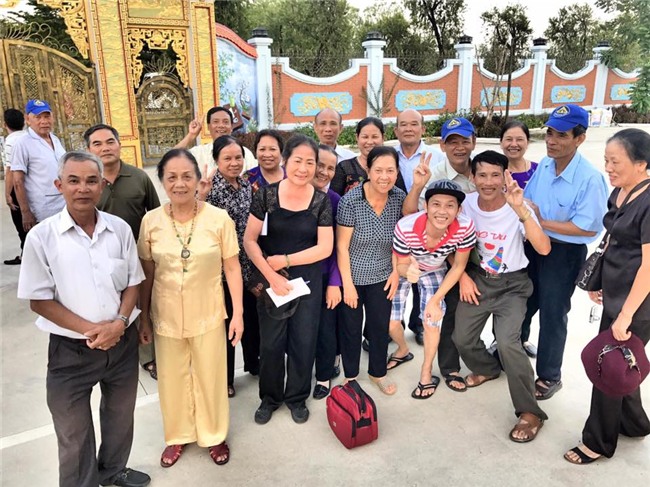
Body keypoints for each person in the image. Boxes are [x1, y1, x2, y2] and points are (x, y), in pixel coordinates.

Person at [17, 151, 150, 487]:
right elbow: (39, 300)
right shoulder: (42, 237)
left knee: (120, 415)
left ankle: (113, 470)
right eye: (73, 181)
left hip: (121, 343)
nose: (83, 188)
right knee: (73, 433)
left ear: (102, 185)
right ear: (59, 185)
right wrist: (93, 331)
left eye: (91, 181)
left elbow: (133, 282)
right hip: (71, 351)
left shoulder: (119, 230)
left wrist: (120, 323)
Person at [138, 148, 243, 467]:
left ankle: (213, 434)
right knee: (172, 378)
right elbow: (147, 272)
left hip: (208, 312)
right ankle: (178, 434)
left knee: (211, 376)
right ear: (162, 182)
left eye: (187, 176)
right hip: (166, 315)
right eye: (171, 177)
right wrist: (144, 318)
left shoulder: (218, 219)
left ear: (198, 179)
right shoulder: (151, 221)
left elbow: (232, 268)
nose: (180, 184)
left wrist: (238, 313)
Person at [564, 128, 650, 464]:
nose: (608, 168)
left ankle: (598, 442)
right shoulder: (622, 191)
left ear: (642, 164)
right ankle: (635, 423)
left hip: (639, 302)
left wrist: (626, 315)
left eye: (616, 161)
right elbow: (614, 243)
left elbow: (648, 266)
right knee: (623, 359)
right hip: (617, 294)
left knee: (609, 365)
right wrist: (599, 281)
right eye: (606, 160)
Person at [453, 150, 550, 442]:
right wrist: (463, 276)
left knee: (508, 343)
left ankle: (530, 412)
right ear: (472, 177)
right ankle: (487, 368)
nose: (488, 182)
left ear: (506, 177)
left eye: (496, 175)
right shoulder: (465, 205)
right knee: (462, 338)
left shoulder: (518, 206)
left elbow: (543, 248)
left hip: (512, 286)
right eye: (482, 175)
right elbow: (450, 243)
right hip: (477, 281)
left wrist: (522, 211)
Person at [243, 134, 333, 425]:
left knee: (303, 341)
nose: (303, 169)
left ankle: (297, 397)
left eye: (310, 163)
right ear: (285, 160)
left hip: (306, 281)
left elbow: (325, 248)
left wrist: (287, 260)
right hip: (272, 280)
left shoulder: (320, 201)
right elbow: (249, 240)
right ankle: (269, 398)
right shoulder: (266, 196)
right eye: (297, 161)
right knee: (270, 343)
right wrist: (272, 275)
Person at [523, 104, 609, 400]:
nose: (551, 140)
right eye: (549, 133)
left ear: (580, 139)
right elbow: (528, 203)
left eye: (561, 135)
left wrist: (542, 221)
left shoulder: (590, 178)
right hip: (533, 245)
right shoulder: (544, 166)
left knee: (553, 312)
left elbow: (588, 228)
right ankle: (512, 349)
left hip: (564, 254)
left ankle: (549, 375)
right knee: (523, 302)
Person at [402, 117, 478, 392]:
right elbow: (412, 215)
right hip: (449, 255)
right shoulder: (434, 174)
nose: (459, 147)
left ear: (474, 142)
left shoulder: (482, 172)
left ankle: (485, 356)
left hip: (482, 253)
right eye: (452, 141)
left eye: (464, 140)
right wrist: (417, 186)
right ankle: (449, 367)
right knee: (449, 309)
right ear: (442, 145)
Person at [84, 123, 161, 380]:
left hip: (138, 255)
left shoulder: (139, 178)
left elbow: (155, 216)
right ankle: (113, 350)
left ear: (119, 145)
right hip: (101, 257)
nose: (105, 148)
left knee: (143, 304)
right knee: (110, 306)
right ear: (89, 150)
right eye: (97, 144)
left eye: (110, 142)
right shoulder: (88, 184)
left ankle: (148, 356)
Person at [389, 179, 476, 399]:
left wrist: (435, 300)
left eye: (450, 205)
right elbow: (400, 264)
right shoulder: (405, 227)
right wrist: (407, 271)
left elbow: (458, 266)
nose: (442, 211)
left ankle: (426, 372)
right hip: (407, 267)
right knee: (391, 323)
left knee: (431, 322)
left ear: (459, 210)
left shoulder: (465, 226)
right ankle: (402, 349)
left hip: (435, 270)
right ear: (425, 206)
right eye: (436, 204)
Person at [337, 146, 405, 395]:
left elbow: (401, 241)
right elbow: (341, 247)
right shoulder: (351, 201)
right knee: (351, 329)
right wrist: (348, 285)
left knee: (379, 327)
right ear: (368, 170)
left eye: (390, 170)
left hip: (383, 275)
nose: (384, 176)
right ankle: (350, 376)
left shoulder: (398, 198)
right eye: (378, 170)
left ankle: (378, 373)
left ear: (397, 172)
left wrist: (396, 272)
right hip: (353, 275)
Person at [206, 135, 259, 398]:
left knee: (251, 318)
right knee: (228, 324)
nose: (234, 162)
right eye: (227, 158)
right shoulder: (210, 189)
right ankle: (226, 378)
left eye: (238, 157)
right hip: (222, 270)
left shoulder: (247, 184)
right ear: (216, 160)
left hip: (247, 265)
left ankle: (253, 363)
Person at [394, 109, 445, 346]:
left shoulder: (436, 157)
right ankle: (394, 325)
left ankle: (419, 325)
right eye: (403, 125)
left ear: (423, 129)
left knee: (424, 278)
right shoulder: (389, 156)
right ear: (396, 130)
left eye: (414, 124)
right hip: (395, 226)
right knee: (399, 276)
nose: (408, 129)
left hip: (428, 228)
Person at [498, 120, 539, 358]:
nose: (514, 144)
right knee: (503, 298)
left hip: (532, 241)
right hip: (504, 245)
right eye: (509, 139)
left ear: (528, 142)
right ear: (501, 142)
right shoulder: (494, 171)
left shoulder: (539, 171)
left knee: (530, 296)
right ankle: (500, 341)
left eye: (519, 139)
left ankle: (522, 338)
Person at [312, 144, 343, 399]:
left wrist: (334, 282)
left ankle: (323, 376)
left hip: (325, 275)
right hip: (295, 276)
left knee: (325, 328)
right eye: (319, 165)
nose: (324, 172)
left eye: (330, 168)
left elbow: (338, 249)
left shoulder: (334, 201)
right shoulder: (286, 195)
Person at [10, 99, 66, 232]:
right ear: (27, 119)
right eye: (38, 117)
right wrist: (25, 212)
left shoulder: (55, 139)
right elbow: (18, 181)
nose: (44, 121)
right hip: (43, 209)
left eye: (47, 116)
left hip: (64, 204)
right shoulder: (22, 143)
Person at [330, 117, 406, 196]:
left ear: (383, 138)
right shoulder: (344, 167)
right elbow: (334, 199)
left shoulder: (390, 166)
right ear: (357, 138)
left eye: (374, 137)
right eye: (365, 137)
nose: (370, 142)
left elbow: (402, 197)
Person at [175, 106, 257, 173]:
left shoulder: (245, 153)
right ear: (208, 126)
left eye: (225, 122)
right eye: (216, 121)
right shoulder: (199, 153)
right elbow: (171, 159)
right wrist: (191, 135)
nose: (221, 125)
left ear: (231, 127)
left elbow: (255, 179)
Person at [2, 108, 26, 265]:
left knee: (21, 222)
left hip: (17, 186)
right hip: (30, 184)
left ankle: (26, 255)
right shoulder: (28, 137)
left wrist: (7, 193)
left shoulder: (10, 141)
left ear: (5, 124)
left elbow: (10, 169)